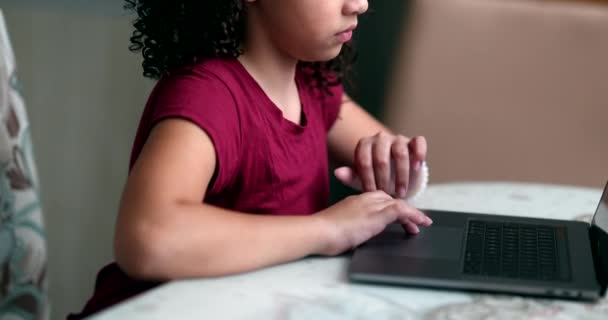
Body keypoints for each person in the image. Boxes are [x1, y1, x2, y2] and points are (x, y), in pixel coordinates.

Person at [68, 0, 432, 318]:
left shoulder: (312, 83)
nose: (360, 4)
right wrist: (330, 230)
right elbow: (148, 239)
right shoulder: (208, 95)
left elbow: (386, 149)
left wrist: (399, 170)